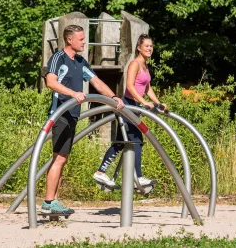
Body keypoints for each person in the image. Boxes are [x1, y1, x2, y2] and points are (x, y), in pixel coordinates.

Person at [42, 25, 124, 214]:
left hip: (73, 115)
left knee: (62, 158)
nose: (84, 42)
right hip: (60, 113)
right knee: (59, 158)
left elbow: (97, 82)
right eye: (80, 39)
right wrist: (73, 94)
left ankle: (53, 201)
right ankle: (48, 202)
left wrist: (113, 98)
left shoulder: (80, 61)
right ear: (69, 40)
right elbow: (51, 82)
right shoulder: (58, 58)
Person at [93, 34, 168, 187]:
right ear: (139, 48)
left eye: (151, 46)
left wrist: (158, 103)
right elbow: (130, 86)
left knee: (125, 142)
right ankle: (137, 178)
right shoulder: (135, 64)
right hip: (128, 104)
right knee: (135, 140)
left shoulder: (145, 66)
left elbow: (147, 88)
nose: (149, 48)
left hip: (136, 106)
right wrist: (144, 102)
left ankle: (102, 173)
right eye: (146, 46)